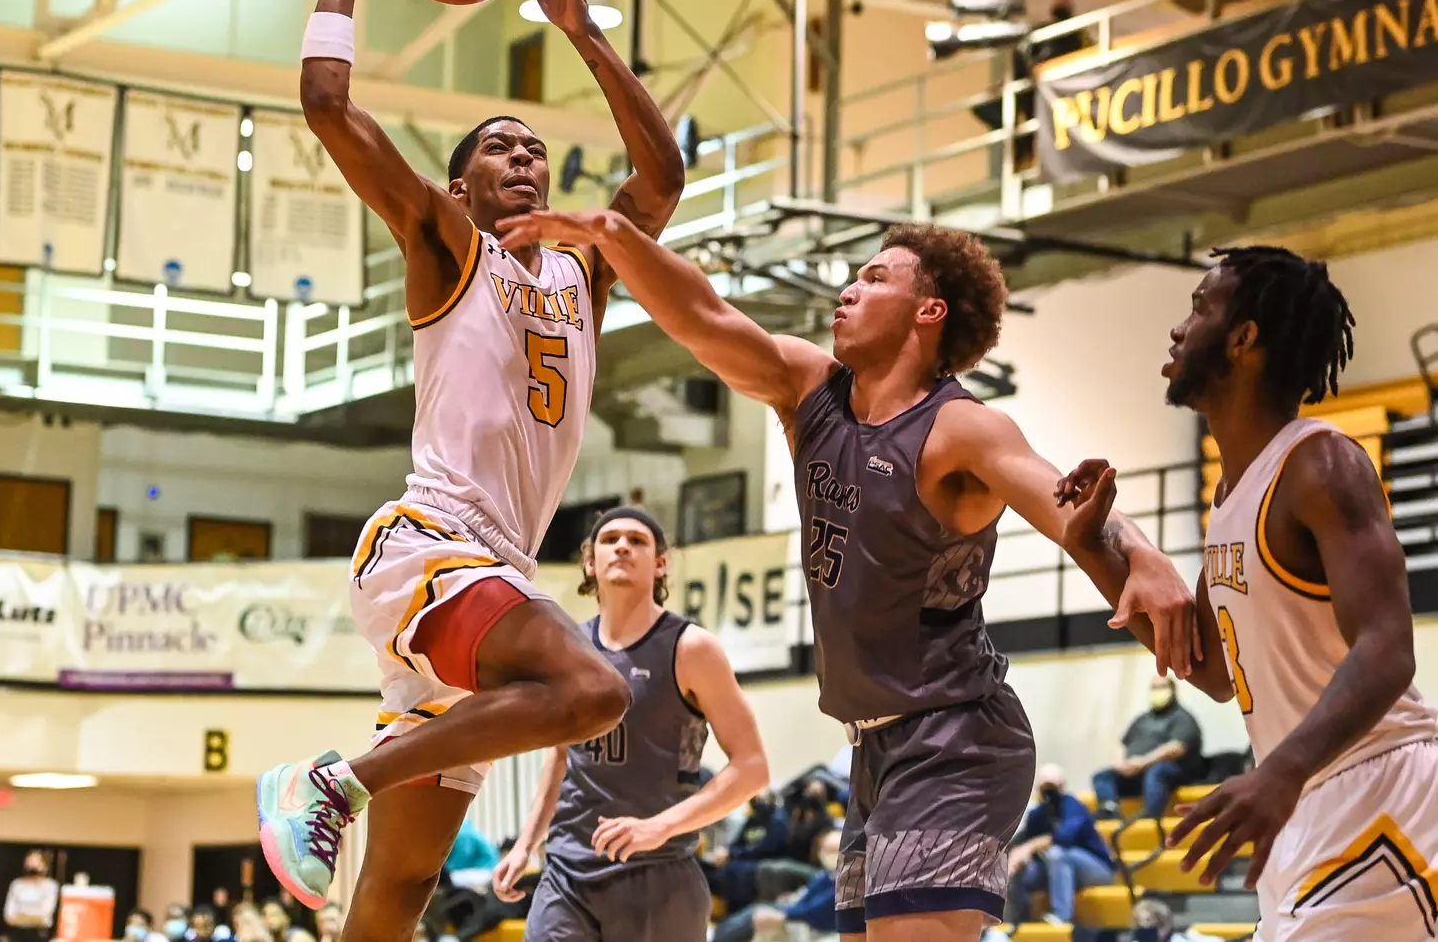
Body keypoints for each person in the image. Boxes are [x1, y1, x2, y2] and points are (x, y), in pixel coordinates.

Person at [492, 210, 1201, 942]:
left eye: (874, 277)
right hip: (872, 750)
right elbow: (704, 317)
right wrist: (615, 234)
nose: (847, 290)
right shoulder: (810, 389)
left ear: (928, 311)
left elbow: (1072, 505)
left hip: (955, 737)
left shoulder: (960, 428)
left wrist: (1145, 554)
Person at [253, 0, 689, 937]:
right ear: (459, 188)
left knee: (399, 888)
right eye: (498, 146)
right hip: (431, 546)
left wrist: (582, 33)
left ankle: (350, 792)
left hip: (496, 573)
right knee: (594, 689)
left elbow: (660, 180)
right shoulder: (450, 247)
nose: (525, 155)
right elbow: (326, 105)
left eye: (534, 147)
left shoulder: (580, 272)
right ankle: (330, 781)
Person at [1063, 245, 1438, 940]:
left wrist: (1282, 771)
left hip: (1380, 789)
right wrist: (1093, 551)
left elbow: (1388, 648)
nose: (1179, 328)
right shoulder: (1234, 493)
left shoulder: (1321, 463)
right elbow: (1209, 670)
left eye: (1198, 308)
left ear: (1243, 338)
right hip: (1305, 803)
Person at [491, 507, 770, 940]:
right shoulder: (569, 647)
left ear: (660, 564)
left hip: (657, 874)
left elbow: (752, 768)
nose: (622, 546)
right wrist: (526, 845)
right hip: (566, 873)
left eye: (637, 541)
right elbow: (561, 757)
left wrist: (662, 827)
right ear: (590, 562)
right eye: (610, 539)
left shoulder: (692, 648)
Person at [1005, 765, 1114, 928]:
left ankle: (1062, 916)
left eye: (1053, 787)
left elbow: (1063, 838)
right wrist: (1016, 857)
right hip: (1056, 871)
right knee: (1019, 870)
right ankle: (1016, 920)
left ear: (1062, 786)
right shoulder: (1037, 814)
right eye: (1045, 788)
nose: (1049, 793)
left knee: (1057, 854)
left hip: (1096, 868)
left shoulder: (1073, 806)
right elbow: (1025, 840)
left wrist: (1030, 846)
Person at [1091, 676, 1203, 821]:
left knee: (1157, 771)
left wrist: (1143, 762)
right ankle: (1109, 809)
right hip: (1136, 773)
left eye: (1162, 687)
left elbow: (1177, 747)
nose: (1157, 692)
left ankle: (1151, 815)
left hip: (1170, 773)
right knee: (1102, 776)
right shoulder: (1142, 719)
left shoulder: (1182, 718)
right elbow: (1123, 743)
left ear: (1173, 691)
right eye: (1154, 688)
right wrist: (1121, 764)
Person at [712, 827, 843, 942]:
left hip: (817, 926)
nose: (829, 855)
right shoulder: (829, 873)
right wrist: (795, 898)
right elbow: (810, 892)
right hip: (800, 914)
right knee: (757, 912)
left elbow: (818, 911)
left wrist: (785, 914)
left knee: (762, 917)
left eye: (834, 851)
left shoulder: (847, 880)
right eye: (826, 851)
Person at [2, 850, 59, 942]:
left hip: (39, 933)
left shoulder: (50, 885)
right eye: (30, 861)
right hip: (17, 933)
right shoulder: (17, 884)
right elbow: (8, 914)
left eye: (36, 861)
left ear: (45, 866)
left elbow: (46, 913)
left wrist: (22, 918)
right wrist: (28, 919)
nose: (32, 865)